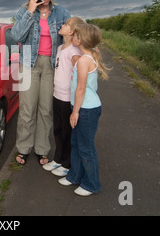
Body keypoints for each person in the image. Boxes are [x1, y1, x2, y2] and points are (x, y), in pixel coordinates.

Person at [11, 0, 71, 166]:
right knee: (28, 110)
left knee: (45, 110)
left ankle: (42, 149)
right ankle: (23, 148)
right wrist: (30, 11)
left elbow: (72, 33)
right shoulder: (24, 11)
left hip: (51, 66)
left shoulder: (61, 12)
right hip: (28, 64)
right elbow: (16, 36)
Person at [58, 23, 110, 196]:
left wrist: (75, 112)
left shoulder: (84, 61)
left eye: (75, 35)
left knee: (86, 148)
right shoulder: (85, 57)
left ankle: (91, 184)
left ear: (79, 40)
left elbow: (80, 89)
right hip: (82, 107)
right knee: (76, 143)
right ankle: (75, 176)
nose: (73, 37)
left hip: (86, 110)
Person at [43, 17, 85, 175]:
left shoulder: (74, 52)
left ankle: (67, 164)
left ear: (72, 31)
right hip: (57, 95)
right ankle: (58, 159)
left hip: (68, 98)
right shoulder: (61, 48)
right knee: (58, 129)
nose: (62, 25)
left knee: (67, 132)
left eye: (66, 24)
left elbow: (82, 71)